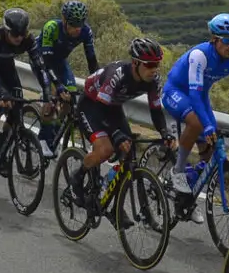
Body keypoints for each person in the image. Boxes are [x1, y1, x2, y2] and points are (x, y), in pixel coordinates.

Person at [162, 13, 229, 199]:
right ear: (215, 39)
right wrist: (206, 125)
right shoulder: (200, 55)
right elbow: (194, 94)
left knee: (211, 150)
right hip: (176, 92)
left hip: (199, 96)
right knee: (198, 123)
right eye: (227, 40)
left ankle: (188, 194)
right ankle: (178, 170)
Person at [70, 38, 167, 211]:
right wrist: (115, 134)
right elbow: (101, 108)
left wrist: (165, 133)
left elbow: (156, 110)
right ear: (136, 62)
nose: (154, 69)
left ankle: (114, 202)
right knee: (105, 149)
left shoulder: (153, 80)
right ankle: (78, 175)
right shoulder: (118, 75)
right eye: (150, 65)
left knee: (128, 152)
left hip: (113, 107)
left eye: (157, 64)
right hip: (92, 105)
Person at [0, 8, 49, 169]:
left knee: (17, 105)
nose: (19, 38)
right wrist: (1, 93)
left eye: (22, 33)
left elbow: (40, 66)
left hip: (6, 65)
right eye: (15, 34)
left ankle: (3, 144)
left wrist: (47, 92)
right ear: (6, 30)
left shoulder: (28, 39)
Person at [36, 0, 98, 159]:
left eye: (80, 24)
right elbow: (46, 62)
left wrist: (98, 85)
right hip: (41, 60)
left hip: (60, 62)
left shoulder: (86, 31)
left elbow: (91, 60)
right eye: (73, 24)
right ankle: (43, 139)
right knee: (51, 97)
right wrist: (57, 85)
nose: (77, 29)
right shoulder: (52, 27)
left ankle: (54, 134)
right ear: (64, 19)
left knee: (70, 100)